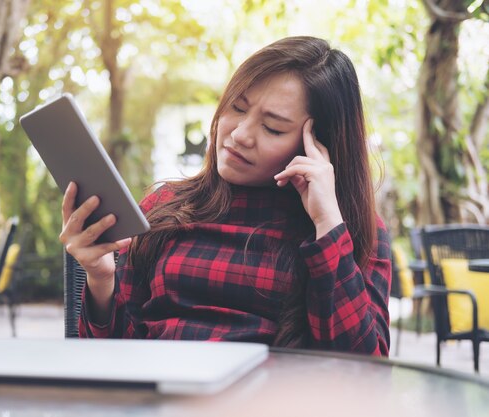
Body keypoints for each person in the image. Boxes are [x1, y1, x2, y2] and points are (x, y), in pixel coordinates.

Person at [60, 36, 391, 356]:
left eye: (273, 128)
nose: (241, 135)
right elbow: (113, 357)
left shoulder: (351, 229)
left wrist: (327, 223)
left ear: (318, 145)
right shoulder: (164, 207)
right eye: (237, 107)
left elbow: (363, 369)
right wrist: (101, 279)